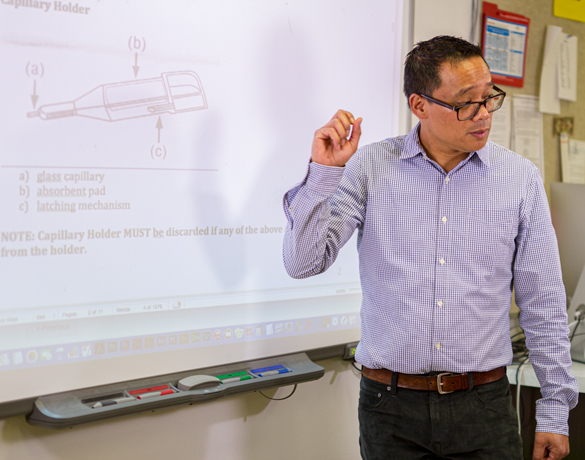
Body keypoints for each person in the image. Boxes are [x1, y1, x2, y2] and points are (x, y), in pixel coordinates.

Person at [282, 36, 578, 460]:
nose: (483, 114)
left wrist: (553, 412)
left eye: (489, 97)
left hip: (484, 406)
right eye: (465, 103)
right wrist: (322, 176)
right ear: (419, 105)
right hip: (390, 407)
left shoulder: (519, 179)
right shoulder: (369, 167)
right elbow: (302, 263)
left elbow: (544, 302)